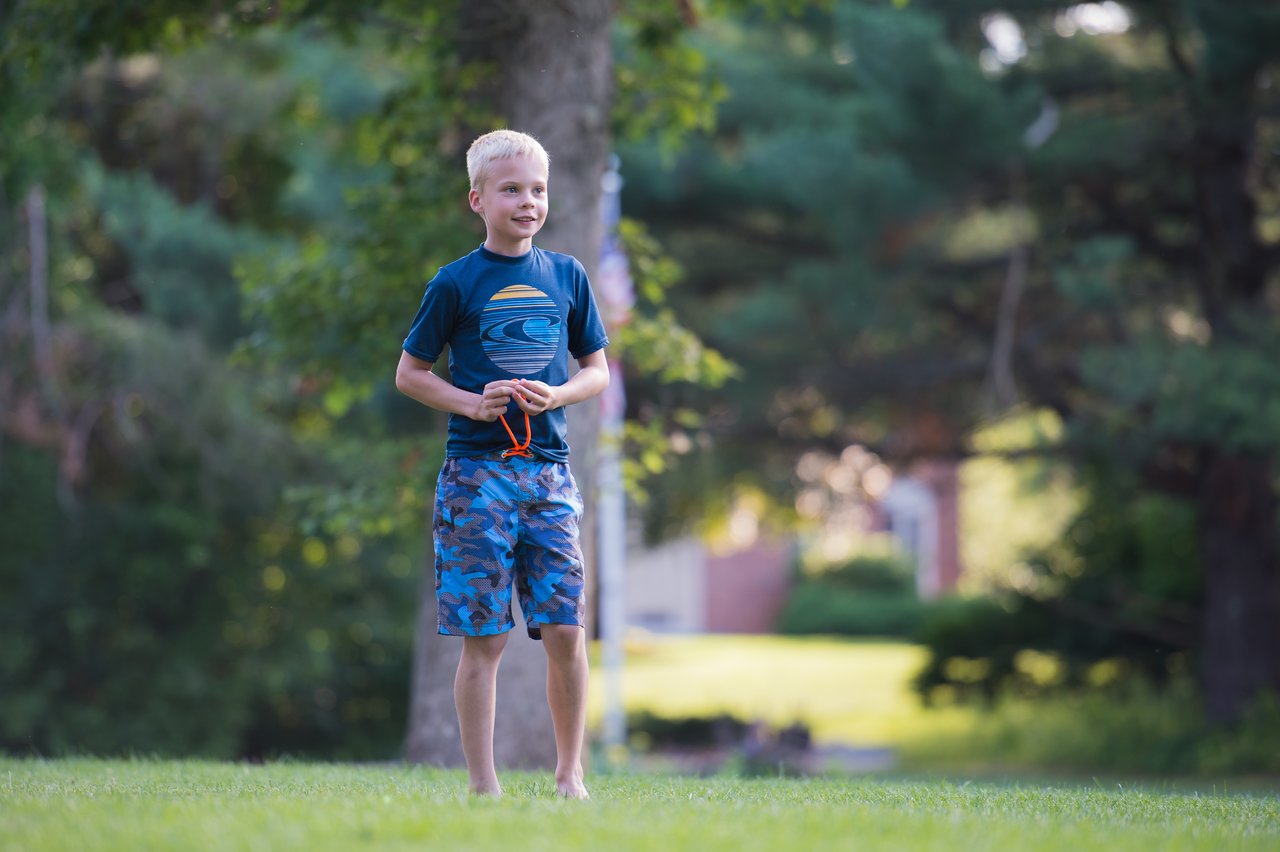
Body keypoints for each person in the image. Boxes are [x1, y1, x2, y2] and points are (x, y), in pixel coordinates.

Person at [394, 129, 610, 799]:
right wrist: (469, 403)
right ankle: (483, 786)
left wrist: (560, 392)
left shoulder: (568, 276)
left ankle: (570, 774)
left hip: (549, 476)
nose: (528, 201)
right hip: (476, 480)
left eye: (538, 189)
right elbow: (410, 374)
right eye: (512, 189)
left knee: (568, 631)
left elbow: (596, 371)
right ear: (477, 199)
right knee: (483, 639)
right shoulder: (455, 283)